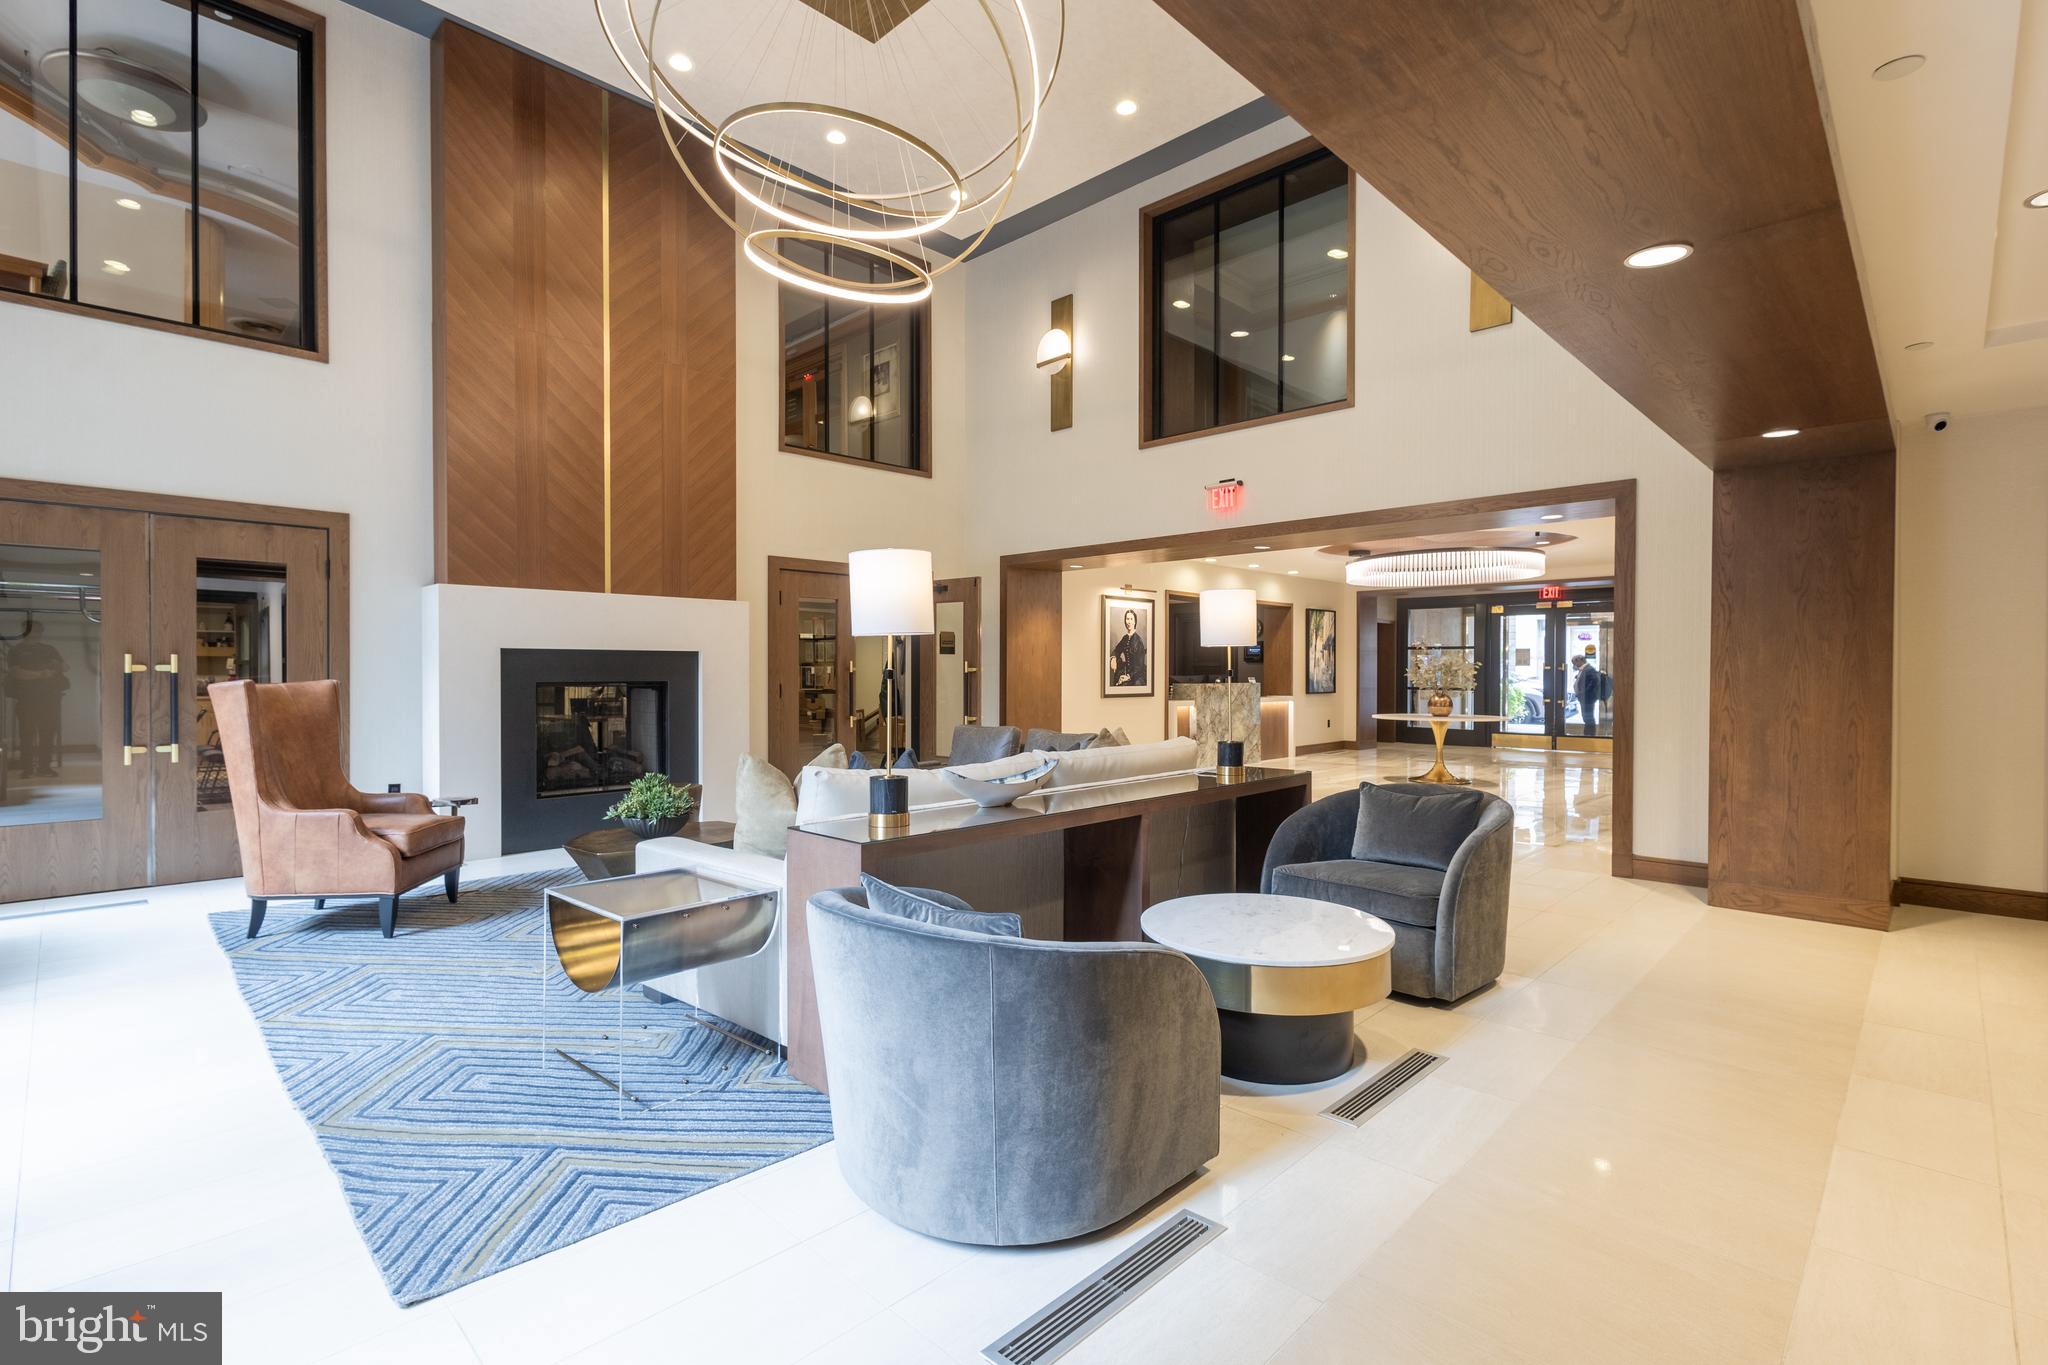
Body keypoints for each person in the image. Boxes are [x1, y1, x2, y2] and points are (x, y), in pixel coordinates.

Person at [4, 619, 69, 776]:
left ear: (41, 632)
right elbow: (16, 672)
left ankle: (44, 767)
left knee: (48, 733)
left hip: (49, 698)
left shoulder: (49, 649)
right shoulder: (16, 651)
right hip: (27, 698)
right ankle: (27, 768)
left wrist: (54, 668)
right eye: (30, 630)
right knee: (26, 734)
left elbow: (65, 667)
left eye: (37, 630)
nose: (34, 633)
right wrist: (41, 674)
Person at [1571, 652, 1610, 736]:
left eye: (1574, 663)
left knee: (1589, 718)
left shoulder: (1589, 669)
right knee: (1586, 718)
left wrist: (1583, 693)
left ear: (1579, 661)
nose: (1574, 665)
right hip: (1584, 698)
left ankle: (1590, 736)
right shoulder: (1584, 669)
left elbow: (1594, 682)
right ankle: (1587, 735)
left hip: (1587, 699)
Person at [1109, 607, 1147, 690]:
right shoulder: (1125, 638)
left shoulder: (1138, 640)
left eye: (1131, 619)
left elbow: (1140, 666)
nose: (1129, 622)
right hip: (1126, 671)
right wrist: (1113, 658)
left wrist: (1128, 676)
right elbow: (1117, 650)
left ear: (1135, 621)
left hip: (1137, 675)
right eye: (1127, 619)